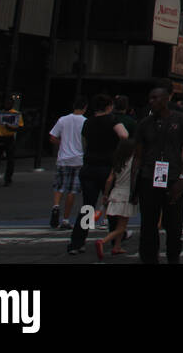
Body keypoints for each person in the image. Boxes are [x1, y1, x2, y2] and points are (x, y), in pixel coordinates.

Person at [132, 81, 183, 265]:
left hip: (173, 177)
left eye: (155, 98)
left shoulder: (182, 121)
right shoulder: (144, 124)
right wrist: (134, 184)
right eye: (150, 98)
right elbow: (138, 155)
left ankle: (173, 256)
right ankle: (149, 258)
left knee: (174, 225)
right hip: (148, 177)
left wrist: (182, 177)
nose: (151, 101)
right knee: (148, 225)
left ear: (166, 99)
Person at [71, 94, 126, 255]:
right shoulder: (112, 121)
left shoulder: (88, 122)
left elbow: (84, 142)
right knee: (111, 203)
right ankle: (114, 238)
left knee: (87, 205)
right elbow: (124, 135)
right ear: (109, 106)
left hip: (89, 166)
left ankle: (77, 242)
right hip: (107, 166)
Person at [48, 96, 89, 230]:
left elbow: (53, 137)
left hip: (63, 158)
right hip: (78, 159)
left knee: (59, 186)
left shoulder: (63, 120)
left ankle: (55, 206)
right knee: (72, 190)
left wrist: (62, 144)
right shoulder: (85, 122)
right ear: (85, 108)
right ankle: (65, 219)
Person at [96, 137, 136, 260]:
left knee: (120, 223)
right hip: (126, 194)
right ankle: (103, 241)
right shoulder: (133, 162)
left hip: (115, 192)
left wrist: (105, 195)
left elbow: (109, 180)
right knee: (122, 226)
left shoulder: (118, 161)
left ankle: (117, 246)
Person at [0, 96, 23, 187]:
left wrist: (11, 128)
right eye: (6, 103)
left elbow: (19, 127)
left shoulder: (16, 114)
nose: (7, 105)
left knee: (10, 159)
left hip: (9, 137)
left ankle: (8, 179)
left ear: (12, 104)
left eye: (9, 103)